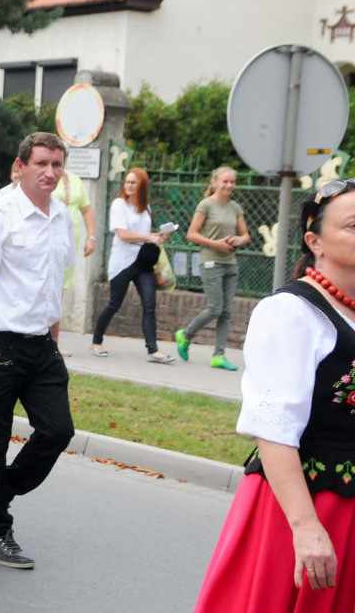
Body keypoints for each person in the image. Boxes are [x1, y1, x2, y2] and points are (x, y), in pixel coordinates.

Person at [194, 181, 355, 612]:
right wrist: (306, 528)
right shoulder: (292, 313)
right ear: (314, 242)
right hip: (309, 503)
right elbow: (274, 428)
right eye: (354, 225)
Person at [0, 132, 76, 570]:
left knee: (58, 430)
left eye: (57, 165)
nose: (50, 173)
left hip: (42, 345)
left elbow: (53, 284)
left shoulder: (61, 216)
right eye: (41, 163)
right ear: (20, 166)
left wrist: (55, 339)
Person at [91, 167, 175, 363]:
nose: (128, 186)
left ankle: (153, 350)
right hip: (122, 262)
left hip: (142, 262)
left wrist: (159, 236)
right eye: (127, 182)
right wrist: (148, 236)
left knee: (149, 304)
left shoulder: (145, 207)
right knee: (114, 304)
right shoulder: (119, 204)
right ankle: (96, 341)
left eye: (133, 183)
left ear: (142, 186)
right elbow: (122, 234)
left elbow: (146, 234)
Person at [174, 166, 250, 371]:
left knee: (226, 311)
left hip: (230, 263)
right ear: (215, 182)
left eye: (232, 182)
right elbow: (191, 234)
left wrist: (238, 240)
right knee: (216, 308)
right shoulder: (206, 205)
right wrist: (216, 243)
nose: (229, 185)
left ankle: (219, 355)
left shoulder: (235, 207)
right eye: (225, 181)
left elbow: (246, 235)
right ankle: (185, 335)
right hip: (210, 262)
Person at [50, 169, 97, 357]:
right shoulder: (46, 178)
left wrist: (91, 237)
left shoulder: (75, 180)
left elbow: (86, 210)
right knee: (48, 290)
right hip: (49, 238)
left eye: (59, 161)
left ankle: (53, 343)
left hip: (69, 241)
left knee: (58, 292)